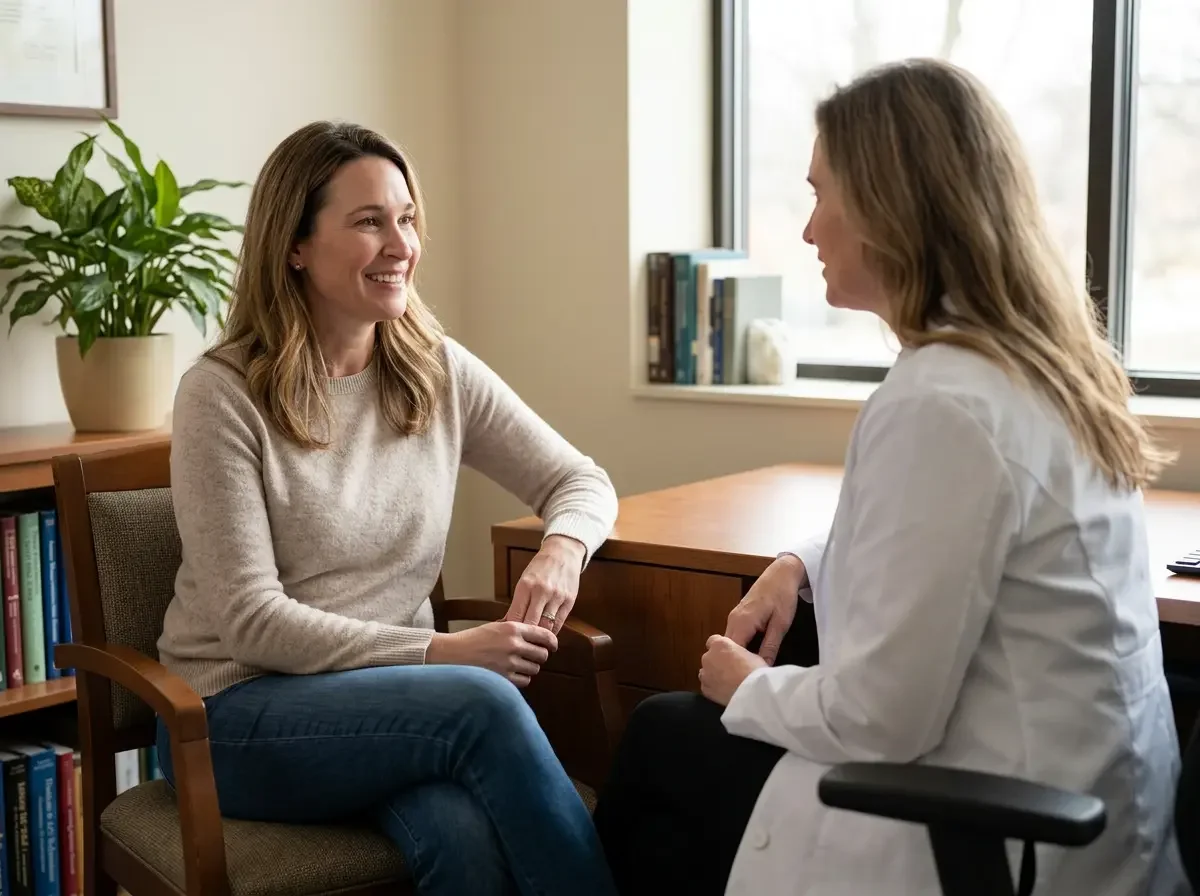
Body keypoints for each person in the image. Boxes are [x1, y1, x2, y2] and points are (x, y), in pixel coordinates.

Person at [592, 57, 1189, 896]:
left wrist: (752, 690)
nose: (807, 232)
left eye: (818, 195)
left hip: (997, 829)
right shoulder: (1034, 367)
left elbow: (882, 717)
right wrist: (801, 562)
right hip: (1091, 804)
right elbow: (940, 541)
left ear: (887, 205)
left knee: (665, 740)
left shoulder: (943, 402)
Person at [154, 120, 620, 896]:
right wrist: (439, 655)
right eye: (369, 221)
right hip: (233, 718)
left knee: (463, 840)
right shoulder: (222, 394)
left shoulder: (433, 367)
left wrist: (560, 550)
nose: (400, 242)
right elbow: (251, 620)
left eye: (406, 218)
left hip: (388, 711)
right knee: (481, 703)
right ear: (294, 245)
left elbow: (581, 480)